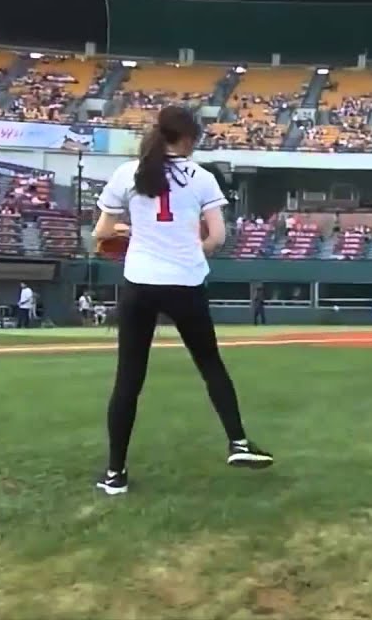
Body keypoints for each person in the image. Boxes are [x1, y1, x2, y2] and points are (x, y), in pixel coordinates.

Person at [91, 106, 272, 496]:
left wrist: (132, 230)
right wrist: (191, 251)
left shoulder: (128, 173)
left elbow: (101, 233)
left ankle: (115, 474)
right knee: (210, 365)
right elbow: (217, 238)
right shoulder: (202, 178)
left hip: (139, 282)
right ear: (188, 138)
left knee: (128, 380)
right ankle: (238, 442)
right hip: (186, 283)